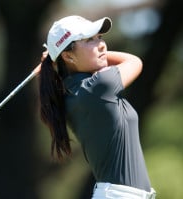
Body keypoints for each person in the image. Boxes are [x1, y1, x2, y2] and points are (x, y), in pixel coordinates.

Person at [38, 15, 156, 199]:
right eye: (89, 40)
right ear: (68, 55)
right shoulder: (98, 87)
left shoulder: (71, 93)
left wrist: (55, 59)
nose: (101, 45)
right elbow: (135, 62)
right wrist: (55, 58)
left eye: (99, 37)